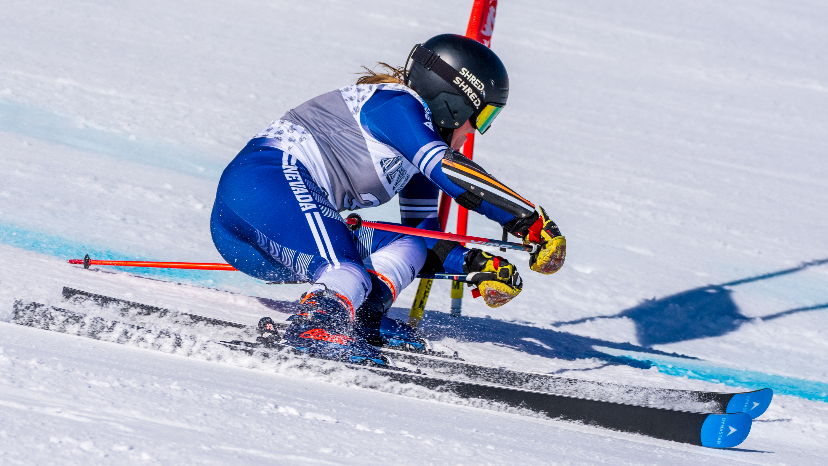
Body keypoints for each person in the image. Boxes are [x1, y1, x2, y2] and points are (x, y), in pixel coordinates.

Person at [210, 34, 566, 364]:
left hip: (276, 243)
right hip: (260, 184)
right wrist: (527, 222)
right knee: (343, 269)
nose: (478, 130)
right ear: (455, 103)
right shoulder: (395, 105)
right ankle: (315, 325)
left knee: (408, 244)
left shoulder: (414, 147)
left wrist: (474, 264)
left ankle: (357, 319)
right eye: (484, 116)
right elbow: (449, 170)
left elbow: (426, 239)